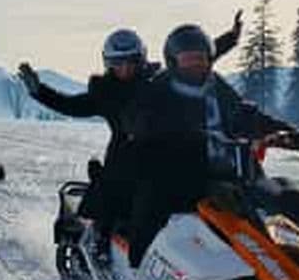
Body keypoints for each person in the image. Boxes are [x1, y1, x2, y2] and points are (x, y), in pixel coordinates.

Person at [17, 15, 244, 258]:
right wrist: (39, 92)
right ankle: (99, 239)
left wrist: (229, 39)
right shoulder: (103, 92)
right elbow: (70, 105)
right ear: (108, 63)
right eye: (118, 63)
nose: (125, 68)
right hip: (125, 152)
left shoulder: (156, 81)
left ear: (141, 59)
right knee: (114, 191)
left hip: (160, 150)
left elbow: (192, 60)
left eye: (131, 61)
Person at [126, 23, 299, 268]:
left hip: (226, 169)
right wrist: (162, 129)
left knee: (269, 204)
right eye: (188, 59)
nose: (196, 65)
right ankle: (138, 269)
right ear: (173, 62)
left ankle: (286, 270)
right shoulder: (160, 88)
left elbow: (245, 115)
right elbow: (137, 120)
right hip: (173, 170)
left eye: (201, 59)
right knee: (153, 203)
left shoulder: (215, 87)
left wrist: (286, 131)